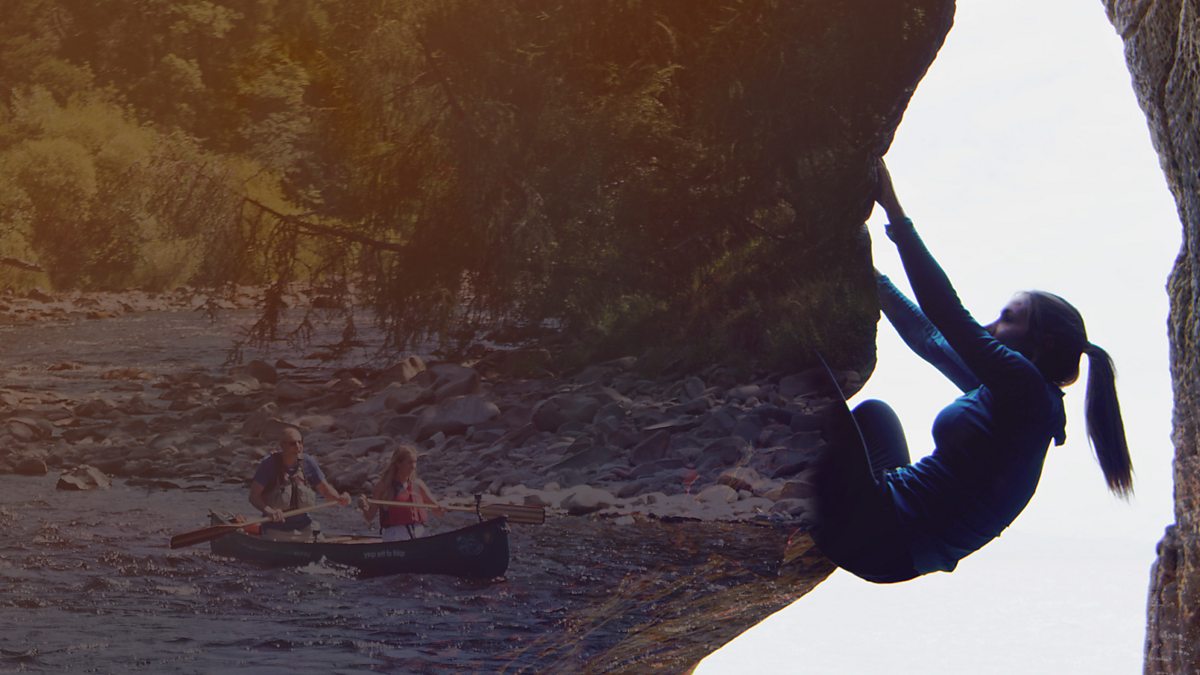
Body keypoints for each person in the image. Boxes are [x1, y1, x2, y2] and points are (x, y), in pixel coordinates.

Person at [810, 159, 1132, 583]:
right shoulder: (1018, 399)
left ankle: (793, 508)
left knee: (807, 377)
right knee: (874, 415)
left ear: (1043, 342)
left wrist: (895, 213)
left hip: (881, 538)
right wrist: (868, 275)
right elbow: (931, 340)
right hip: (891, 540)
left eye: (1008, 319)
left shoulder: (1026, 391)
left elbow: (947, 314)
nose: (990, 327)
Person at [249, 426, 351, 541]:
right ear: (282, 445)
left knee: (321, 542)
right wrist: (269, 511)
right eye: (293, 443)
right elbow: (254, 497)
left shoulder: (308, 462)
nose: (298, 446)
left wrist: (339, 498)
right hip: (276, 529)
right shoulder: (268, 464)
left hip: (305, 527)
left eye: (300, 442)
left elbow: (325, 490)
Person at [357, 445, 443, 541]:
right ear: (398, 464)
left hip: (419, 533)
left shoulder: (418, 485)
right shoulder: (383, 486)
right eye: (409, 462)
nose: (413, 466)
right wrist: (363, 506)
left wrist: (442, 508)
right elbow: (369, 517)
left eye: (415, 462)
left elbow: (437, 511)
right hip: (395, 536)